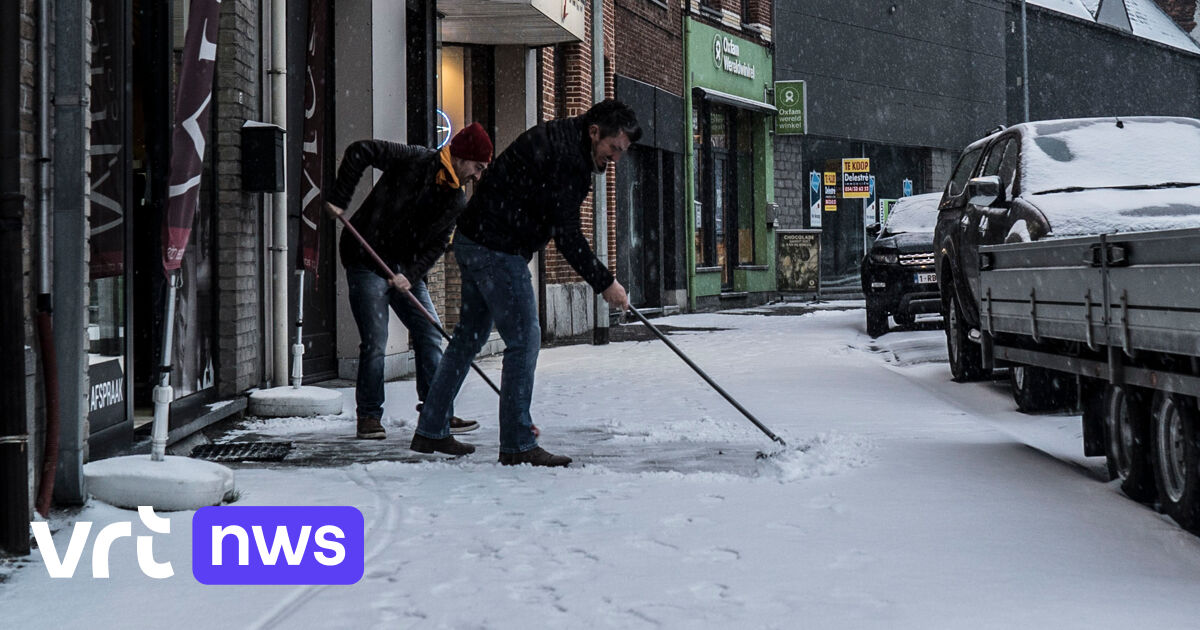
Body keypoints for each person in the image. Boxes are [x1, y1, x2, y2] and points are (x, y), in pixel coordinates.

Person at [411, 99, 641, 466]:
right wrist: (605, 284)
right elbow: (566, 236)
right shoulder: (568, 158)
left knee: (469, 337)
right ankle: (518, 443)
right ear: (594, 132)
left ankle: (431, 429)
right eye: (613, 149)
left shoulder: (564, 142)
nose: (614, 159)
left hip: (475, 239)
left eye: (621, 152)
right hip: (496, 247)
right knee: (525, 338)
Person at [326, 123, 493, 440]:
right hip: (366, 257)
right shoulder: (415, 159)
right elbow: (361, 150)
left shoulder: (456, 200)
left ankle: (436, 411)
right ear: (462, 156)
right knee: (376, 341)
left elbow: (436, 246)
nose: (478, 175)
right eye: (478, 166)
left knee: (430, 333)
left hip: (402, 267)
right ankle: (370, 417)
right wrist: (340, 196)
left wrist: (411, 275)